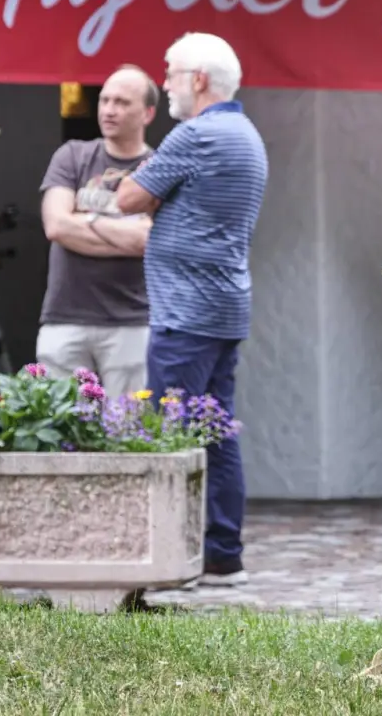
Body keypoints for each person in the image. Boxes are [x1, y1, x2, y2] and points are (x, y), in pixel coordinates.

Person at [117, 33, 267, 586]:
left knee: (167, 433)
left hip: (186, 312)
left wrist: (148, 188)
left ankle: (167, 556)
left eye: (171, 71)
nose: (166, 82)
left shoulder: (196, 133)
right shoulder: (245, 133)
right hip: (224, 306)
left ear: (198, 80)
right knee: (216, 431)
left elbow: (129, 197)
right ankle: (222, 551)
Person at [37, 65, 158, 398]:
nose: (109, 110)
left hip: (132, 322)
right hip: (65, 317)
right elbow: (56, 225)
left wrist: (86, 220)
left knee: (129, 434)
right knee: (57, 433)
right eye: (105, 100)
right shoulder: (72, 156)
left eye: (121, 102)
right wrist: (120, 232)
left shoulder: (159, 168)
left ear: (147, 113)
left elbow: (148, 241)